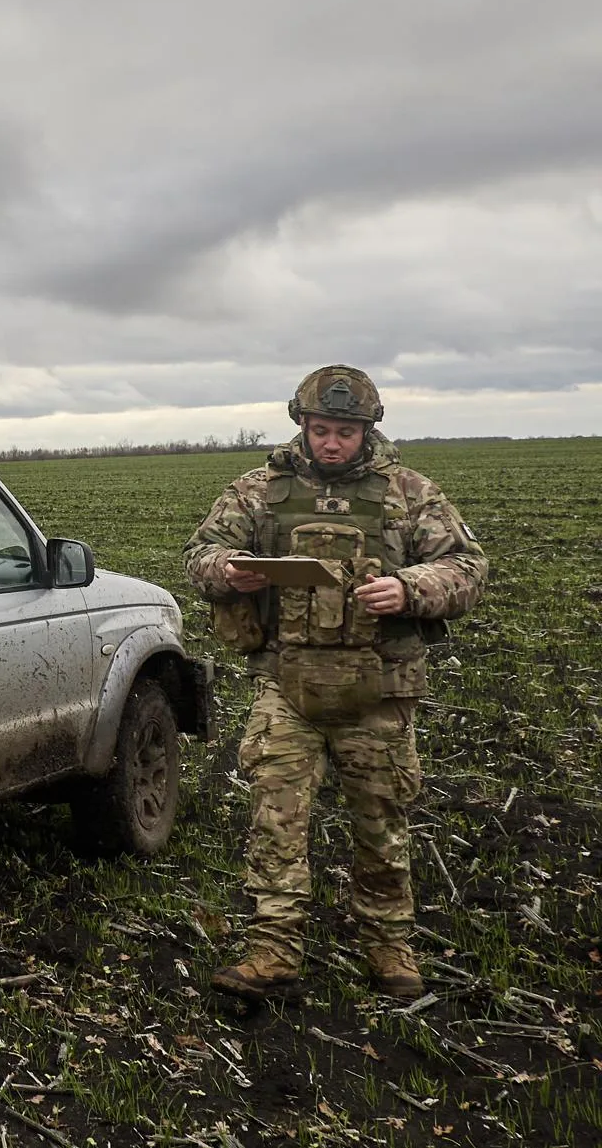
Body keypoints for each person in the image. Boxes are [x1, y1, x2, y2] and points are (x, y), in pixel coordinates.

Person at [184, 365, 485, 1000]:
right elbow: (200, 556)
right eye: (321, 430)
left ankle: (386, 945)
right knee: (275, 821)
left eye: (344, 432)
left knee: (381, 823)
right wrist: (229, 571)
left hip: (379, 692)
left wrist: (410, 588)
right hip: (287, 689)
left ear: (366, 429)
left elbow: (468, 568)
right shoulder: (258, 492)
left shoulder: (409, 493)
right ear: (302, 425)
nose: (330, 443)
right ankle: (273, 949)